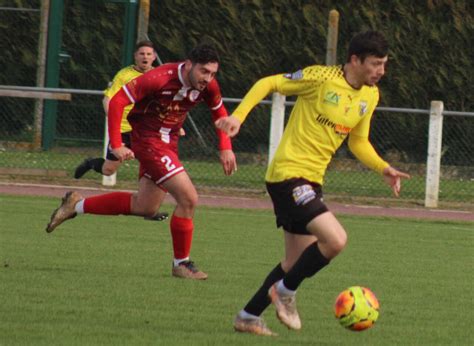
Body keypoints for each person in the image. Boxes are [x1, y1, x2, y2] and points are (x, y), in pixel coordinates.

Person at [216, 30, 410, 335]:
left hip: (311, 181)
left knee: (293, 263)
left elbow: (358, 141)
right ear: (355, 60)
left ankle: (248, 315)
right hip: (288, 174)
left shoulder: (370, 95)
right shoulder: (320, 78)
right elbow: (269, 82)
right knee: (335, 239)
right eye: (375, 64)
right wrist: (238, 117)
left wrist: (382, 167)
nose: (381, 71)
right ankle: (285, 292)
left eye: (384, 64)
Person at [46, 43, 237, 280]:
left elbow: (220, 113)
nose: (208, 78)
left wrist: (225, 148)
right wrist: (116, 144)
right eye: (204, 72)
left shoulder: (208, 85)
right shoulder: (158, 77)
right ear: (189, 65)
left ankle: (75, 206)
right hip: (149, 141)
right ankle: (182, 264)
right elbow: (116, 102)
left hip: (169, 142)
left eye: (212, 73)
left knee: (145, 207)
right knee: (188, 198)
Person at [73, 40, 168, 222]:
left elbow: (167, 105)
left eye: (149, 54)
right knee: (109, 170)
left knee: (154, 167)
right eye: (142, 54)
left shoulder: (160, 75)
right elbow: (108, 99)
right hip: (123, 130)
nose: (145, 57)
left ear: (154, 57)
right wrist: (114, 124)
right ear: (135, 56)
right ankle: (91, 163)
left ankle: (149, 209)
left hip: (147, 132)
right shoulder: (124, 75)